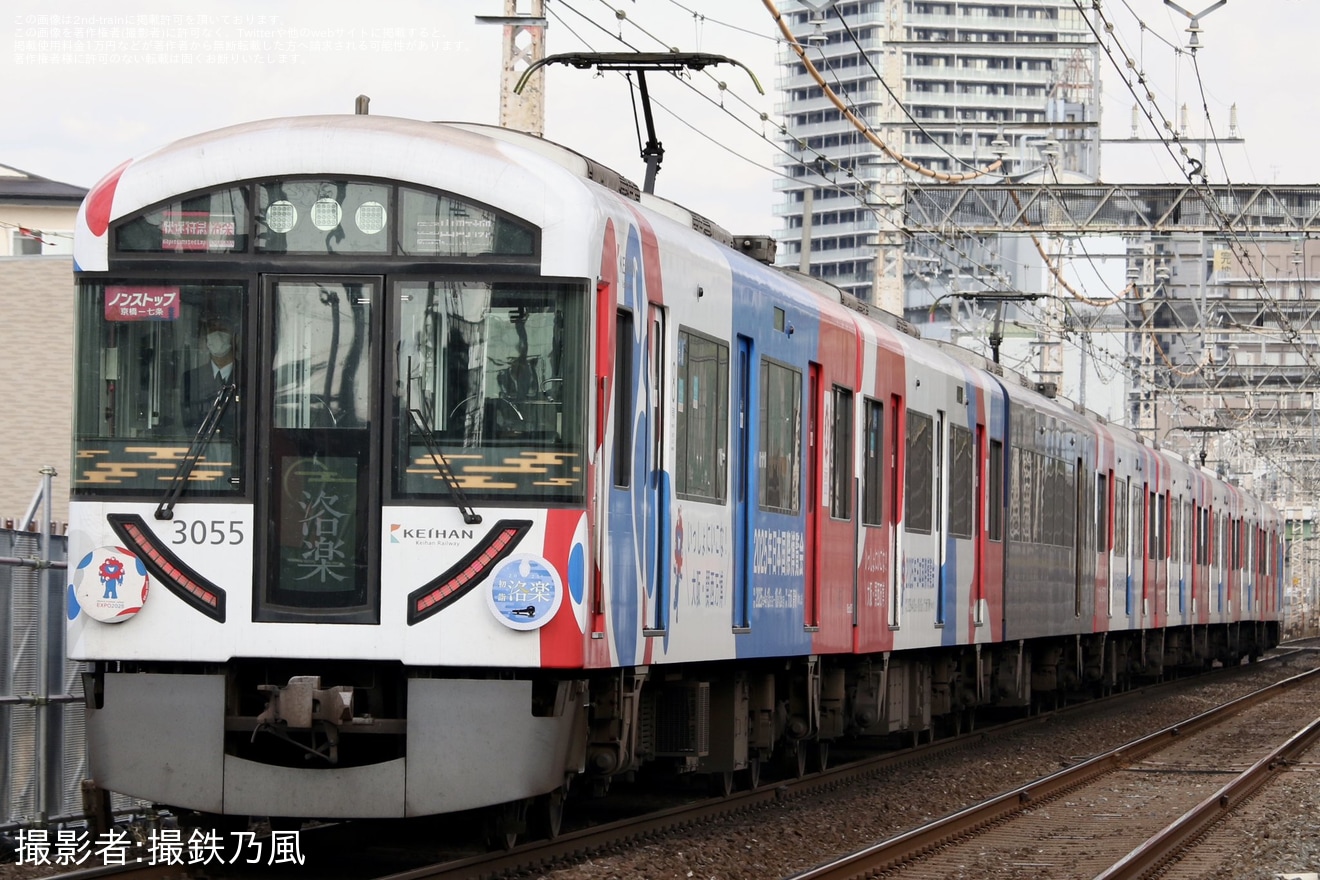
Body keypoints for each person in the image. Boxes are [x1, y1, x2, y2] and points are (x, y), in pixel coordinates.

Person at [182, 316, 241, 435]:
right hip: (201, 450)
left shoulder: (249, 377)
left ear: (235, 338)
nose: (217, 334)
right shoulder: (190, 378)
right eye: (212, 329)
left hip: (239, 449)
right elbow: (188, 423)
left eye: (223, 329)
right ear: (205, 340)